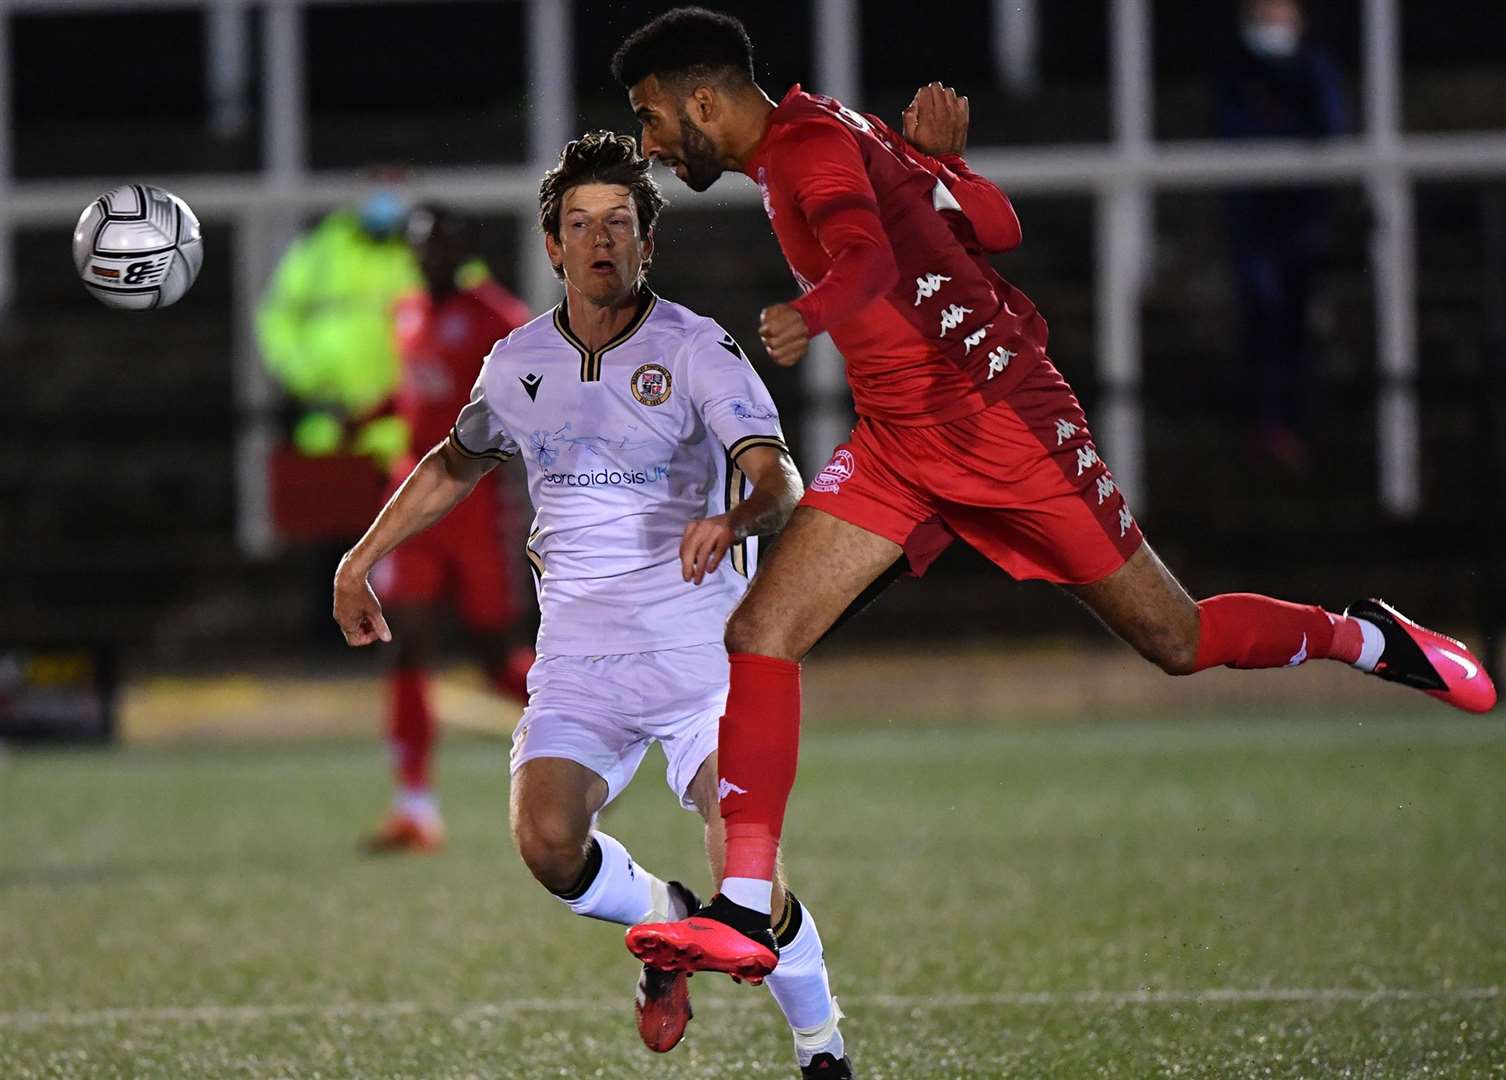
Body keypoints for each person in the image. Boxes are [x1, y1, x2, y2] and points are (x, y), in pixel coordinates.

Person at [610, 6, 1497, 985]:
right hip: (904, 443)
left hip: (1005, 426)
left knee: (1178, 639)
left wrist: (808, 314)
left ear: (703, 99)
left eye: (651, 117)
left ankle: (1367, 638)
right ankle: (744, 908)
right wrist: (939, 166)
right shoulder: (838, 130)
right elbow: (999, 225)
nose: (648, 142)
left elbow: (863, 261)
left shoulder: (813, 148)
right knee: (759, 635)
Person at [332, 132, 853, 1078]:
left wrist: (735, 515)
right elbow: (456, 459)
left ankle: (822, 1046)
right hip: (580, 665)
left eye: (621, 222)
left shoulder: (698, 350)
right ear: (552, 246)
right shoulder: (516, 361)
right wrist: (361, 556)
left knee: (756, 874)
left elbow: (781, 484)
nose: (601, 240)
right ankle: (667, 920)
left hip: (703, 662)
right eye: (581, 224)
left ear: (648, 245)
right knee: (545, 841)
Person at [362, 205, 535, 852]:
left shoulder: (500, 320)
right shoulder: (406, 312)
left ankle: (593, 736)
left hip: (478, 504)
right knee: (406, 639)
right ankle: (414, 806)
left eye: (437, 244)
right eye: (417, 244)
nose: (425, 255)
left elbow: (530, 404)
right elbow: (417, 396)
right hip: (413, 502)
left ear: (463, 249)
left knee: (495, 657)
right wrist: (369, 416)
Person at [1216, 0, 1350, 467]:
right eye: (1261, 17)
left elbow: (1330, 126)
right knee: (1262, 319)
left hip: (1302, 221)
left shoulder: (1314, 69)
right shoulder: (1236, 73)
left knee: (1297, 325)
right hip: (1254, 225)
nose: (1270, 27)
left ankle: (1298, 426)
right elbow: (1231, 132)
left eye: (1278, 16)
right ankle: (1262, 427)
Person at [256, 169, 423, 466]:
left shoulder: (427, 248)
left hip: (406, 430)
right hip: (328, 422)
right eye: (377, 182)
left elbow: (472, 311)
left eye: (395, 183)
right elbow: (277, 316)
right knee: (327, 507)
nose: (386, 194)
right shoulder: (322, 247)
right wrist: (306, 376)